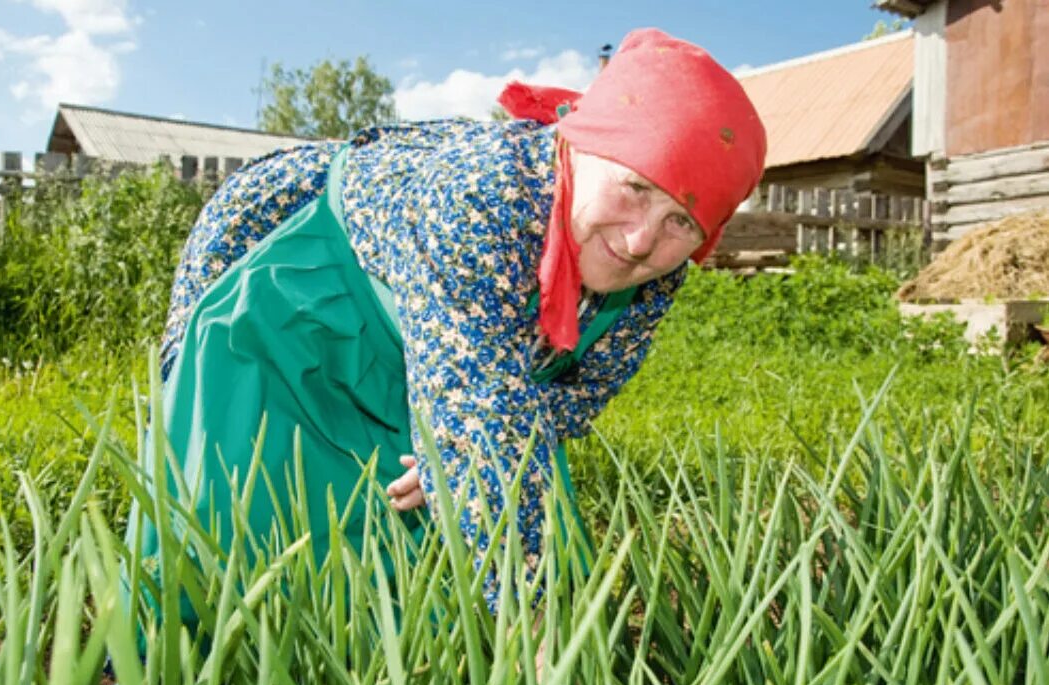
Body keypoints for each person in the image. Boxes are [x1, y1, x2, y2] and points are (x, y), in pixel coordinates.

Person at [127, 26, 765, 629]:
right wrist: (539, 640)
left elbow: (575, 394)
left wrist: (454, 460)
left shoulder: (658, 272)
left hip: (436, 334)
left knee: (434, 535)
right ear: (579, 147)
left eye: (681, 222)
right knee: (230, 519)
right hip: (300, 282)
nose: (638, 239)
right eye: (633, 187)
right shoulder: (483, 198)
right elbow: (480, 416)